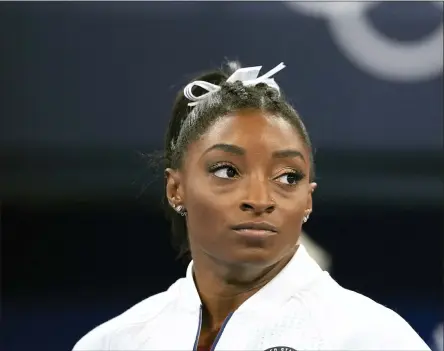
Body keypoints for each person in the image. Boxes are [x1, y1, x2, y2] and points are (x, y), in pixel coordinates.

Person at [73, 62, 430, 350]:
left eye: (288, 177)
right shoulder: (113, 342)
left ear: (308, 198)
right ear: (175, 188)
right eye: (227, 171)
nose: (259, 200)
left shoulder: (372, 339)